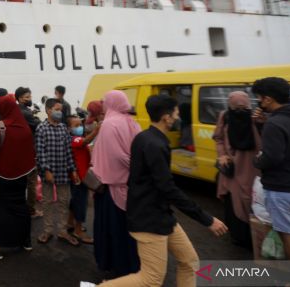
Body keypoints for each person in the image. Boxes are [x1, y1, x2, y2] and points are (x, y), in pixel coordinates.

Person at [99, 95, 228, 287]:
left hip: (161, 216)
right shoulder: (154, 145)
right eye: (176, 113)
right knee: (151, 280)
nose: (178, 117)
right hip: (149, 220)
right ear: (166, 117)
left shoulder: (144, 137)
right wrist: (207, 220)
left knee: (190, 262)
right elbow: (168, 189)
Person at [91, 90, 141, 278]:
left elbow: (116, 155)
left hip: (109, 187)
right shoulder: (132, 122)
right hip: (129, 185)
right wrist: (136, 169)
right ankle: (131, 264)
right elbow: (137, 153)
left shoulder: (109, 124)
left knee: (111, 230)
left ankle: (113, 264)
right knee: (128, 231)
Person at [0, 95, 36, 260]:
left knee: (0, 211)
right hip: (20, 177)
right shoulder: (25, 127)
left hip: (0, 177)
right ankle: (26, 241)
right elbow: (29, 153)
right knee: (20, 208)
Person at [252, 77, 290, 259]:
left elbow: (271, 158)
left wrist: (257, 161)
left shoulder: (275, 123)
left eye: (259, 98)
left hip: (283, 189)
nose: (258, 102)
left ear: (268, 99)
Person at [212, 91, 261, 247]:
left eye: (244, 107)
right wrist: (222, 155)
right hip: (231, 167)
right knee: (232, 199)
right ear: (230, 106)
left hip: (251, 167)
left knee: (250, 198)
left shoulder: (256, 117)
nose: (240, 111)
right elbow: (218, 137)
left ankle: (252, 236)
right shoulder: (225, 116)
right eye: (236, 107)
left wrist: (260, 121)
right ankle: (238, 236)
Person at [35, 101, 79, 245]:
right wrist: (47, 170)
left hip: (63, 173)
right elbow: (40, 153)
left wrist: (73, 170)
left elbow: (68, 152)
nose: (59, 112)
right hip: (47, 173)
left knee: (63, 202)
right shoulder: (41, 128)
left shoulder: (63, 128)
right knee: (47, 202)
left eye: (61, 110)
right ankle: (47, 231)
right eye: (56, 109)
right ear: (48, 110)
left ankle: (62, 231)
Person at [68, 113, 97, 244]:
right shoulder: (74, 139)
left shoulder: (77, 137)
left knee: (75, 201)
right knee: (81, 202)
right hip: (80, 177)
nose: (80, 127)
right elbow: (86, 141)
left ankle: (70, 223)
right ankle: (78, 230)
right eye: (76, 125)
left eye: (81, 125)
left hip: (79, 176)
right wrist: (97, 130)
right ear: (69, 128)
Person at [15, 86, 41, 219]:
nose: (29, 99)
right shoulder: (26, 112)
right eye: (27, 97)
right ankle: (31, 209)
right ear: (19, 98)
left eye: (30, 96)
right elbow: (37, 127)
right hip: (29, 150)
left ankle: (20, 206)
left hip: (19, 150)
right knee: (31, 181)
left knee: (20, 180)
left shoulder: (16, 110)